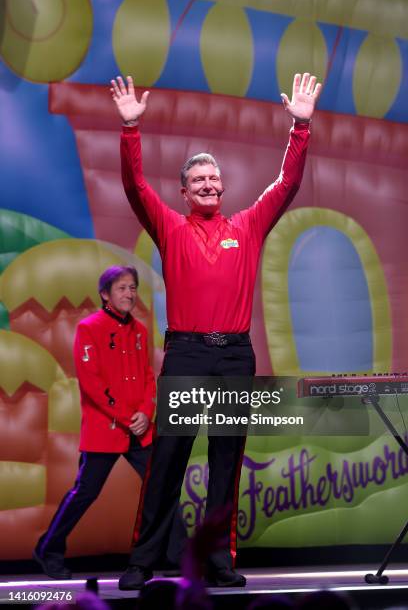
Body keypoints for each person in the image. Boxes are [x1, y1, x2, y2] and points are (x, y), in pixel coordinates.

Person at [111, 73, 322, 590]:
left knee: (227, 462)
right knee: (167, 462)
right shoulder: (170, 227)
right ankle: (143, 560)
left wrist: (300, 125)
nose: (208, 185)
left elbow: (287, 184)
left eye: (214, 179)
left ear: (223, 187)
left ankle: (219, 562)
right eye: (198, 181)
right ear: (183, 193)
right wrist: (131, 129)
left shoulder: (247, 227)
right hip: (185, 357)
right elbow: (135, 187)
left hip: (233, 359)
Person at [34, 266, 182, 579]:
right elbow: (92, 383)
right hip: (107, 428)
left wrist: (146, 412)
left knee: (162, 487)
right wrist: (129, 416)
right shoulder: (89, 328)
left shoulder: (140, 331)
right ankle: (48, 549)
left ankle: (178, 556)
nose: (129, 294)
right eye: (122, 288)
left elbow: (146, 377)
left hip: (139, 429)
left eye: (132, 288)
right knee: (85, 492)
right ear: (105, 294)